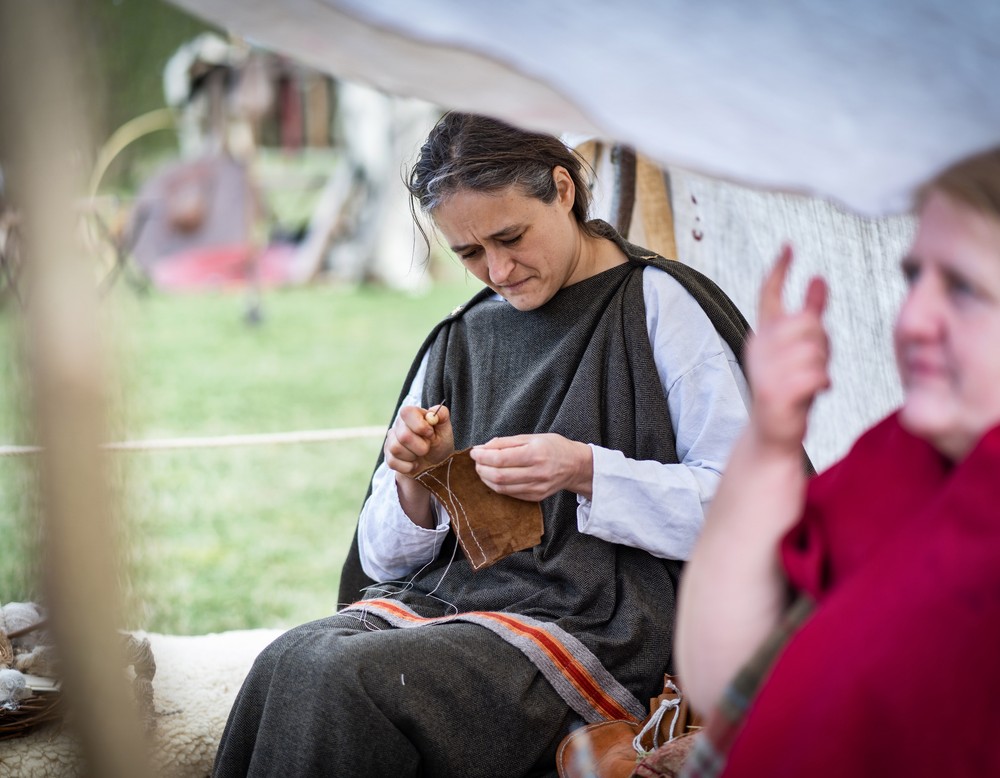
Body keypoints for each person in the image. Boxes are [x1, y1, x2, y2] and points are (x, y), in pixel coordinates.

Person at [213, 112, 752, 777]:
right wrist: (416, 481)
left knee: (345, 679)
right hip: (452, 611)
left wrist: (585, 471)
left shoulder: (660, 305)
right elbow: (381, 558)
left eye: (510, 236)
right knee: (291, 660)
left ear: (563, 189)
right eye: (468, 253)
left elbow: (751, 512)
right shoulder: (461, 335)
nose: (496, 269)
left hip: (598, 630)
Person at [674, 147, 1000, 776]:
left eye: (961, 287)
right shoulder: (902, 457)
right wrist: (769, 443)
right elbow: (721, 680)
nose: (912, 318)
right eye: (914, 278)